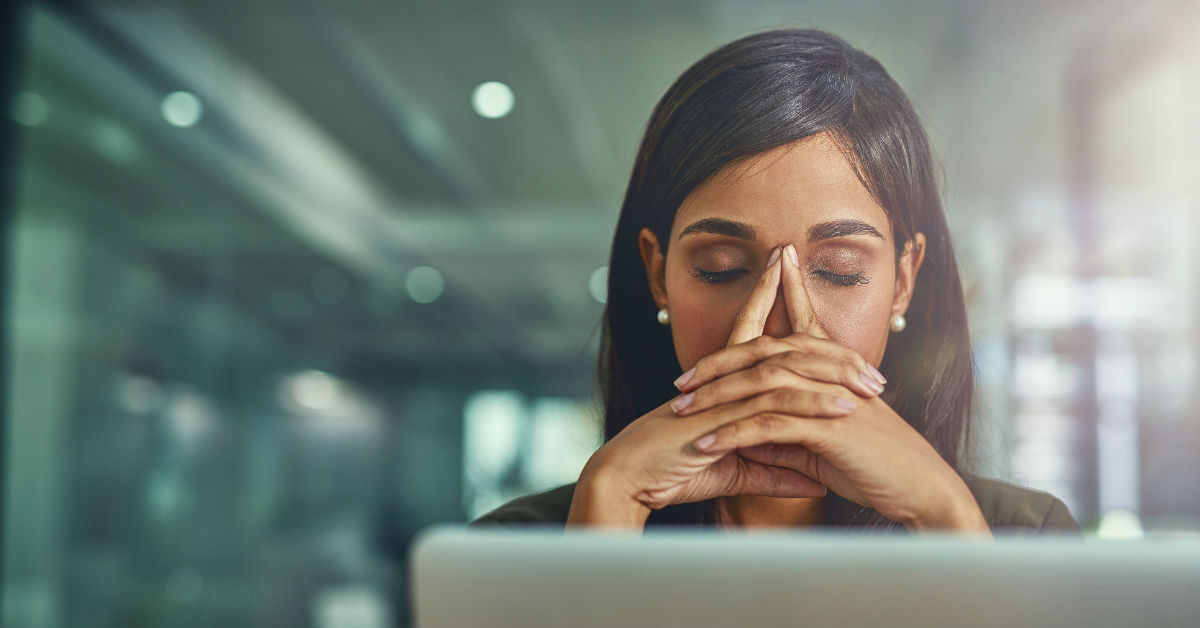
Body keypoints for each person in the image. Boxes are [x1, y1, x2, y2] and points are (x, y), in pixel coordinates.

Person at [475, 28, 1078, 533]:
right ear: (659, 277)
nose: (779, 324)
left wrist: (944, 518)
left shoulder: (1018, 535)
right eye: (723, 269)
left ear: (902, 281)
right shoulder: (521, 545)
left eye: (839, 271)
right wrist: (608, 506)